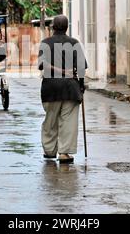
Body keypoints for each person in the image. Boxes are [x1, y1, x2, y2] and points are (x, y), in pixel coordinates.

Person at [38, 15, 88, 164]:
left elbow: (42, 65)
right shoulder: (74, 43)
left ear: (53, 27)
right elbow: (81, 69)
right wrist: (81, 85)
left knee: (50, 120)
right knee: (69, 122)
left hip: (50, 88)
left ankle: (49, 151)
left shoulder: (45, 43)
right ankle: (64, 153)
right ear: (67, 27)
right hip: (70, 88)